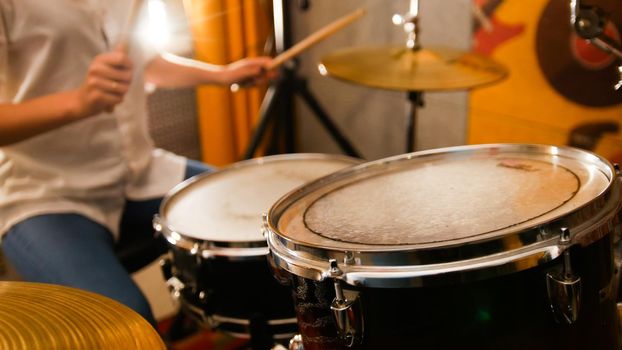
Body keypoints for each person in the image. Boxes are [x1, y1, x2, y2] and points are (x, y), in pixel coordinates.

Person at [0, 0, 274, 328]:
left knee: (265, 228)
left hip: (142, 173)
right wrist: (80, 102)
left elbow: (144, 62)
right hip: (45, 193)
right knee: (128, 323)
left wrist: (222, 75)